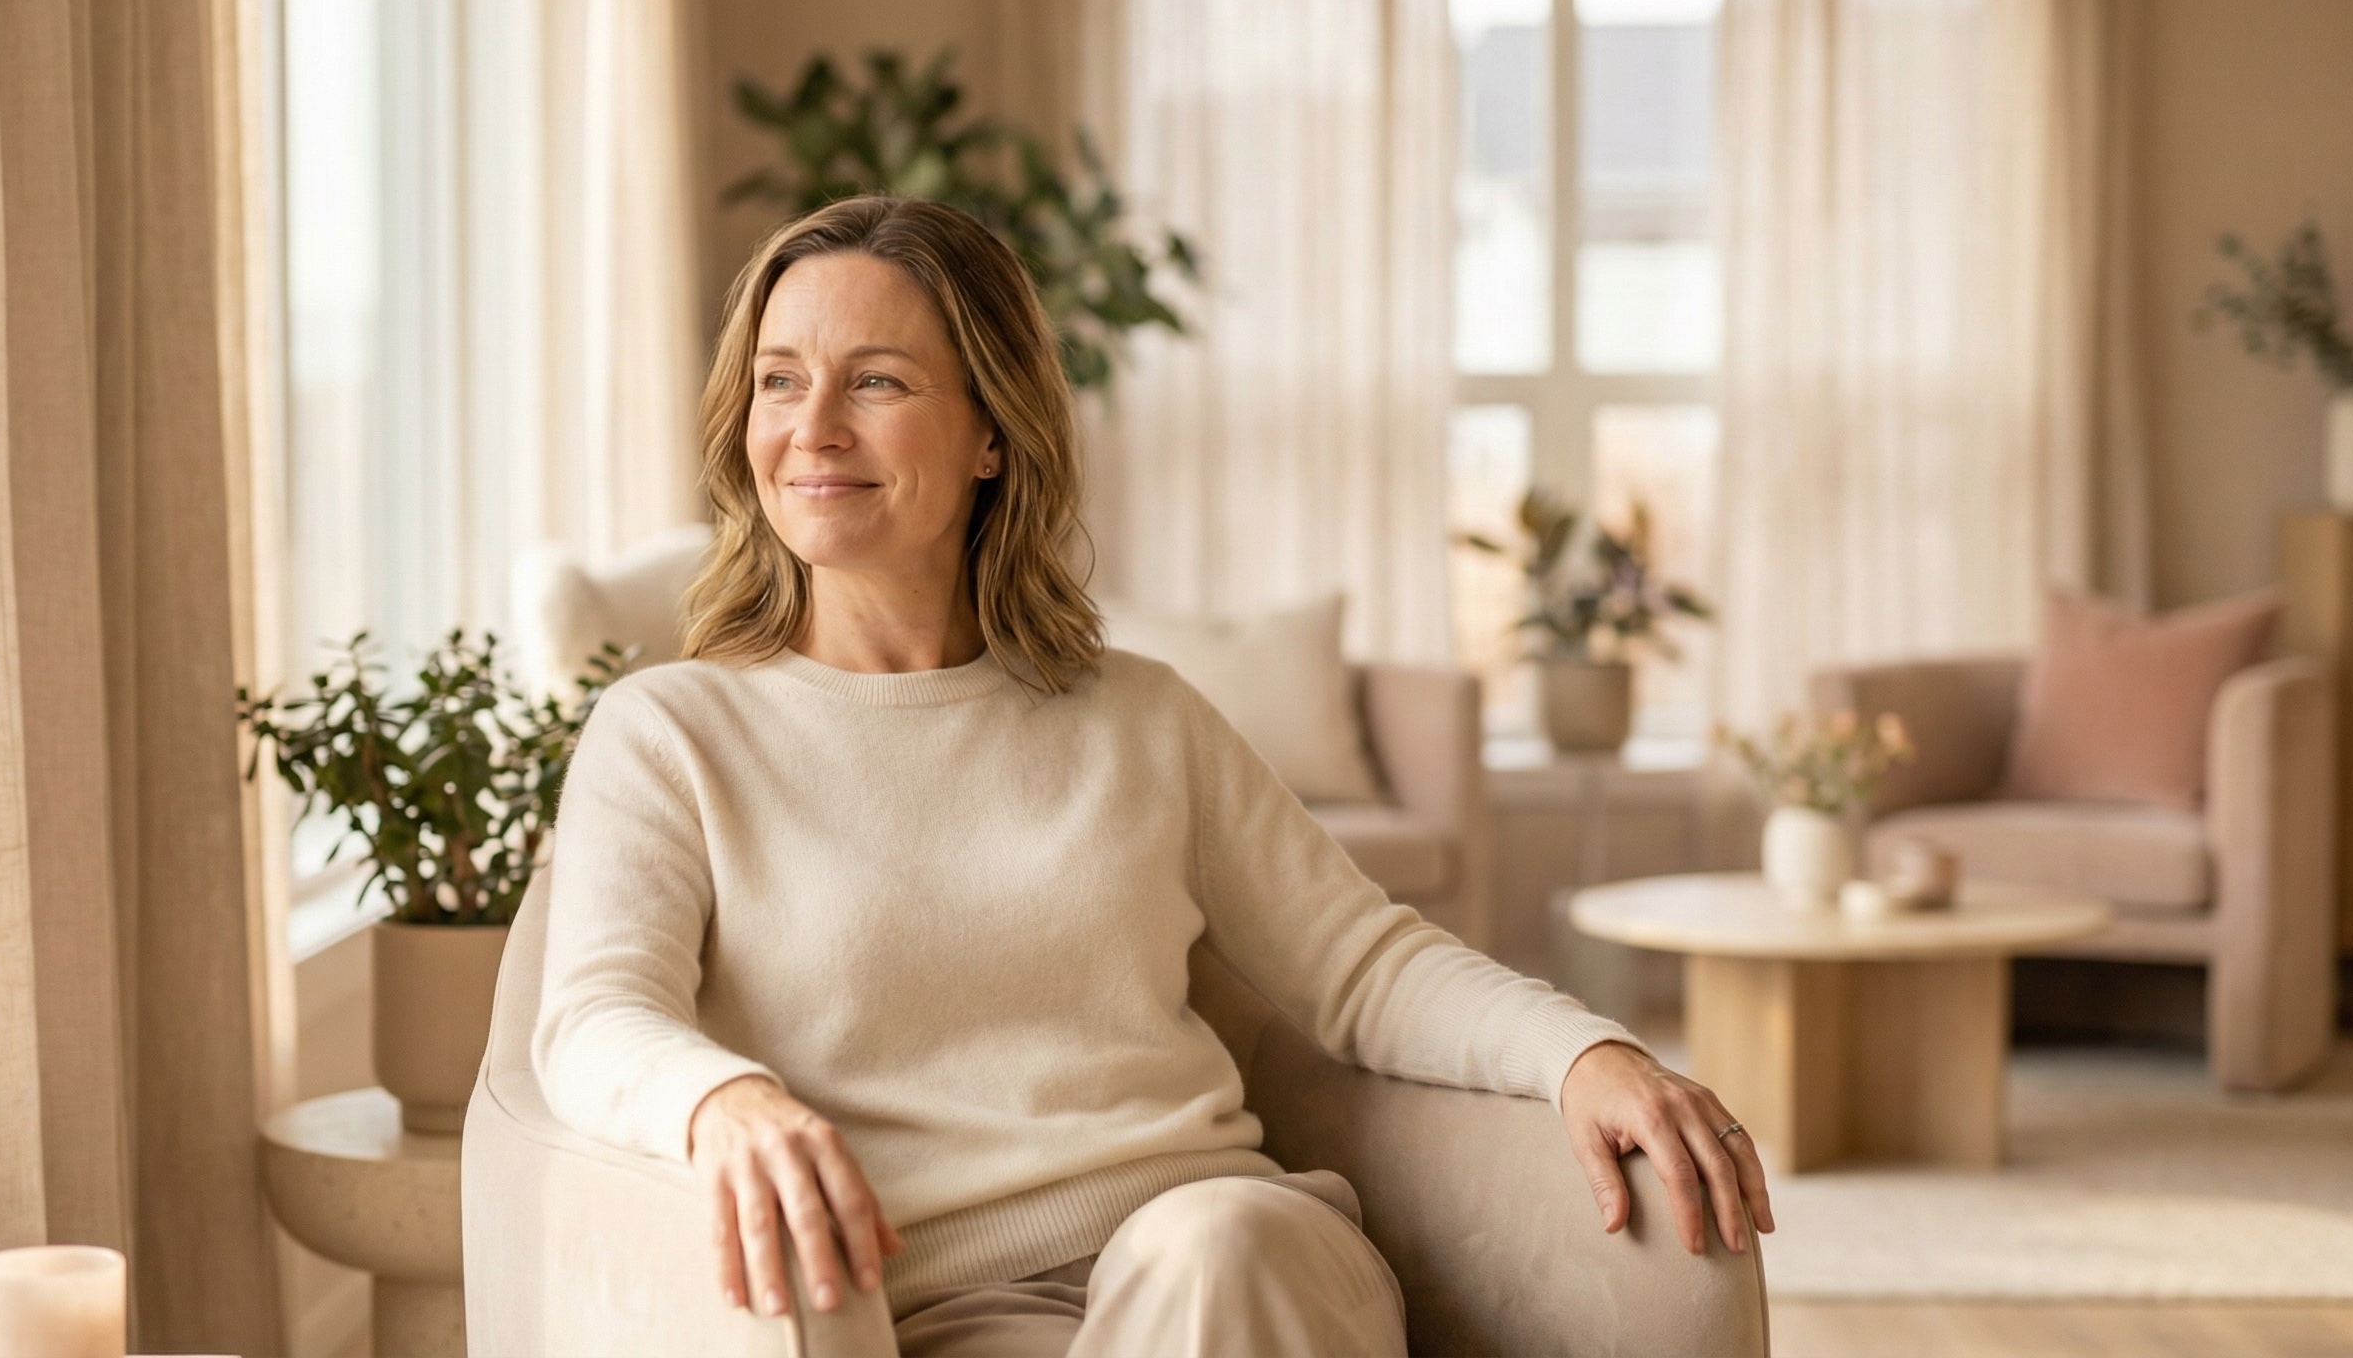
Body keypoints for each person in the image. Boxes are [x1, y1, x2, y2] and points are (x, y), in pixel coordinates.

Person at [533, 195, 1773, 1356]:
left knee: (1214, 1245)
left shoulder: (1140, 718)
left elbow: (1365, 967)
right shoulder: (670, 735)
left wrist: (1584, 1053)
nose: (812, 430)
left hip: (1246, 1268)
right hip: (931, 1314)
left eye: (876, 382)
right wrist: (722, 1101)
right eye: (778, 382)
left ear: (989, 436)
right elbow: (592, 1018)